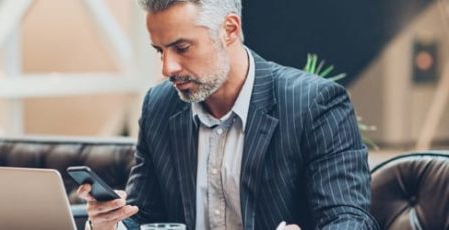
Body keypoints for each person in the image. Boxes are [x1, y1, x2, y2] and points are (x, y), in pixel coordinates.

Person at [77, 0, 379, 229]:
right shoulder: (159, 106)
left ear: (230, 29)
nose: (167, 68)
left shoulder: (314, 104)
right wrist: (111, 223)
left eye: (181, 48)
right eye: (159, 50)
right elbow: (146, 218)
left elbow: (349, 219)